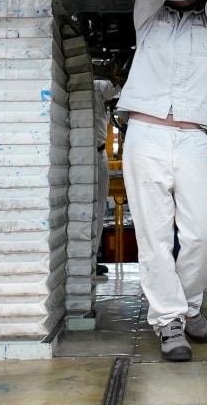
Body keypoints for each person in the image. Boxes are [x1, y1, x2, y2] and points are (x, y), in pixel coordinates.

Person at [116, 0, 207, 361]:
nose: (181, 8)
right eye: (176, 2)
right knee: (154, 234)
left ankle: (187, 306)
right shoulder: (148, 24)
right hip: (146, 134)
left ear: (200, 0)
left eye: (189, 3)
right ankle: (170, 321)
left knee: (204, 233)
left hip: (190, 139)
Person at [93, 78, 120, 276]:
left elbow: (118, 84)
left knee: (99, 208)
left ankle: (91, 259)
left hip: (98, 154)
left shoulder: (98, 87)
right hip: (77, 154)